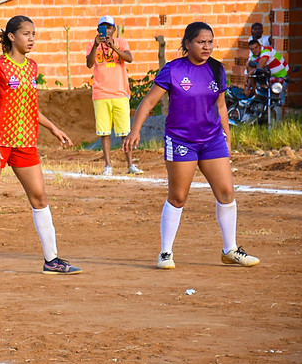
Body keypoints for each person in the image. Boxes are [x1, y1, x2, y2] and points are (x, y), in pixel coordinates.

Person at [0, 15, 82, 279]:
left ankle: (52, 260)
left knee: (40, 198)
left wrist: (53, 128)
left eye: (34, 34)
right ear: (11, 37)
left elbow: (31, 107)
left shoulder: (32, 67)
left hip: (24, 142)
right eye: (26, 34)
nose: (31, 39)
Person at [123, 22, 259, 270]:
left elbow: (220, 106)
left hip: (212, 140)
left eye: (210, 41)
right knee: (178, 196)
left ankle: (230, 249)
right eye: (201, 42)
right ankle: (166, 252)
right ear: (187, 44)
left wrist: (227, 135)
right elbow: (149, 101)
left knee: (226, 192)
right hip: (181, 140)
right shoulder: (173, 70)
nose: (207, 46)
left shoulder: (217, 69)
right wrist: (135, 130)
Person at [85, 15, 142, 176]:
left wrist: (114, 47)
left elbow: (129, 58)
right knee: (104, 132)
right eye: (103, 27)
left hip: (120, 92)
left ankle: (130, 164)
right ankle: (108, 165)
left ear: (114, 30)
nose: (107, 31)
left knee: (125, 132)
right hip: (101, 93)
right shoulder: (92, 44)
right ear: (98, 30)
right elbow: (89, 64)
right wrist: (96, 45)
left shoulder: (121, 42)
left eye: (109, 27)